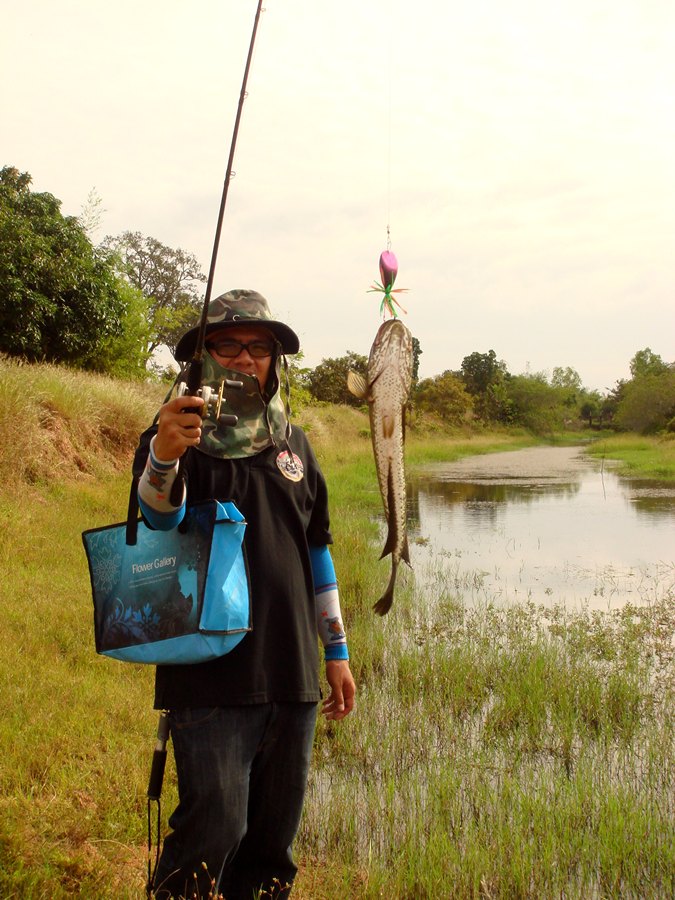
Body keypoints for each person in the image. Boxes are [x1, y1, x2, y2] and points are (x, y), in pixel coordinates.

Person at [133, 289, 356, 899]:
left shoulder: (296, 445)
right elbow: (154, 522)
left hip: (293, 673)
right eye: (226, 345)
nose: (243, 358)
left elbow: (317, 550)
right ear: (201, 358)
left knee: (270, 848)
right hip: (210, 675)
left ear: (274, 361)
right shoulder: (177, 434)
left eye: (258, 347)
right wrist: (162, 456)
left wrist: (334, 652)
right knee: (213, 830)